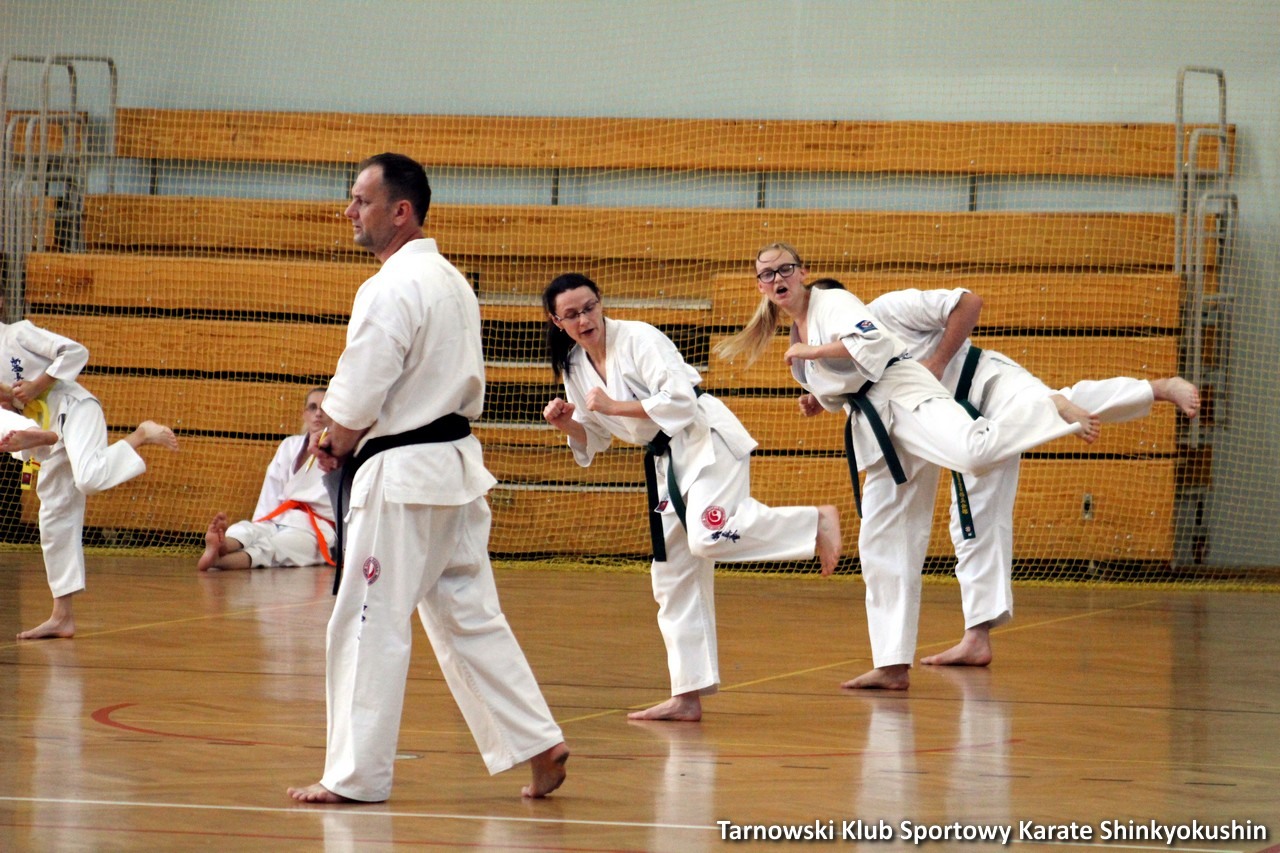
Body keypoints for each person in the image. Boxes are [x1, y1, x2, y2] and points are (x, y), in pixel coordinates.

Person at [287, 152, 567, 804]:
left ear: (401, 211)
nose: (349, 212)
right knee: (470, 617)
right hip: (455, 472)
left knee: (366, 621)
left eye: (362, 200)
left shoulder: (391, 285)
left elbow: (363, 383)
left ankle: (355, 776)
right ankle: (537, 741)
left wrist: (334, 440)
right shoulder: (450, 280)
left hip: (402, 480)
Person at [714, 242, 1098, 691]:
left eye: (785, 269)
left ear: (803, 272)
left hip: (902, 392)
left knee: (973, 453)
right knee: (882, 537)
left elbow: (872, 343)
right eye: (767, 274)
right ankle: (892, 663)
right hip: (877, 425)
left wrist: (812, 354)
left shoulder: (831, 300)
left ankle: (1048, 406)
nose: (777, 278)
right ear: (759, 286)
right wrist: (818, 397)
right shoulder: (799, 331)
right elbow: (845, 377)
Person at [540, 272, 842, 722]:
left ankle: (813, 522)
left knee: (709, 536)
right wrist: (567, 422)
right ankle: (687, 695)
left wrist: (613, 406)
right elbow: (596, 437)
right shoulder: (574, 366)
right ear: (557, 321)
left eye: (589, 308)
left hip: (703, 440)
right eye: (572, 314)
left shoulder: (639, 338)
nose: (584, 320)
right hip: (666, 462)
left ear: (600, 303)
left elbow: (680, 401)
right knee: (672, 576)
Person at [861, 285, 1200, 667]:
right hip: (957, 430)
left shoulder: (886, 311)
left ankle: (1153, 389)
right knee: (973, 523)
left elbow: (968, 303)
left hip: (986, 382)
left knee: (1042, 402)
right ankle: (977, 638)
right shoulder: (846, 355)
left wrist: (938, 362)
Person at [1, 319, 179, 640]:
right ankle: (62, 616)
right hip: (45, 430)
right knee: (53, 517)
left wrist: (37, 384)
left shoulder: (18, 333)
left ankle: (141, 434)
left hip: (74, 408)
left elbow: (75, 351)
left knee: (89, 478)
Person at [197, 387, 336, 571]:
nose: (318, 413)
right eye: (312, 407)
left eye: (324, 408)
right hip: (279, 518)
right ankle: (224, 545)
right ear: (304, 414)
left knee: (275, 546)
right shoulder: (289, 445)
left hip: (313, 531)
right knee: (246, 529)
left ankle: (219, 561)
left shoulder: (340, 451)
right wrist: (261, 522)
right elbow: (272, 489)